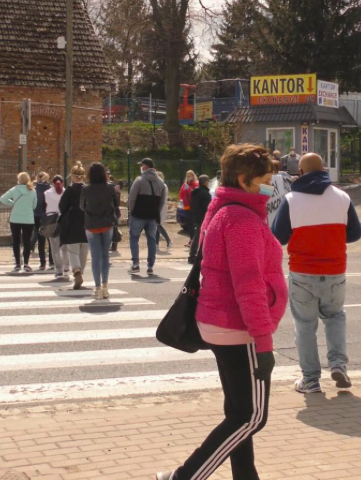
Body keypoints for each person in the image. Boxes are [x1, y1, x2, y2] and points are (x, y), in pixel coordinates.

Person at [156, 144, 288, 480]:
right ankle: (183, 476)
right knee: (252, 417)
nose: (270, 186)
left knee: (237, 410)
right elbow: (249, 286)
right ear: (245, 180)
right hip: (238, 327)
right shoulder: (242, 219)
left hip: (218, 322)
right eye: (265, 180)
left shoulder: (224, 209)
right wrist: (264, 341)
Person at [271, 153, 361, 394]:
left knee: (305, 326)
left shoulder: (291, 200)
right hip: (335, 270)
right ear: (323, 169)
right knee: (335, 318)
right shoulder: (342, 197)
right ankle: (338, 364)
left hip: (302, 272)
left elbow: (278, 237)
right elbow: (355, 234)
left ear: (299, 174)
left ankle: (311, 380)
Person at [81, 162, 120, 300]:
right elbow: (116, 203)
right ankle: (105, 287)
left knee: (95, 257)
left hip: (91, 224)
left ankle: (97, 288)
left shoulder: (86, 189)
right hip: (107, 223)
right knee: (105, 256)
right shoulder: (109, 187)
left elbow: (82, 206)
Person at [128, 158, 166, 275]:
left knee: (134, 238)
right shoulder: (161, 183)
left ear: (145, 167)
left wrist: (132, 211)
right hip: (152, 216)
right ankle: (150, 265)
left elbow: (132, 198)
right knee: (151, 239)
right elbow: (162, 201)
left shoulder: (139, 180)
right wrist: (156, 212)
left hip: (138, 215)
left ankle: (135, 264)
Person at [58, 163, 89, 290]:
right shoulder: (88, 189)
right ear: (83, 176)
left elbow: (61, 207)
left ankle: (76, 271)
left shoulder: (69, 191)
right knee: (84, 250)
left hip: (72, 224)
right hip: (87, 223)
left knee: (72, 250)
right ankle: (80, 272)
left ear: (72, 176)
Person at [0, 172, 39, 273]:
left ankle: (17, 264)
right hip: (28, 219)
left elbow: (2, 199)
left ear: (19, 179)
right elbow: (34, 206)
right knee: (27, 241)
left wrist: (12, 203)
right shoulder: (33, 191)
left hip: (15, 219)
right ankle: (26, 263)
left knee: (16, 241)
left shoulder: (15, 189)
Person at [44, 175, 70, 281]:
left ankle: (58, 270)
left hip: (51, 221)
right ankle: (66, 268)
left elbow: (43, 206)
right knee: (65, 248)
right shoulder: (66, 193)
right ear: (62, 183)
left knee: (54, 248)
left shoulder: (46, 193)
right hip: (64, 221)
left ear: (52, 183)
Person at [188, 174, 213, 264]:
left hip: (196, 216)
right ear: (206, 182)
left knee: (197, 237)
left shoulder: (195, 192)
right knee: (200, 237)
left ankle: (194, 255)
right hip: (203, 217)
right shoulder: (205, 194)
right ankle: (193, 256)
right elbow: (208, 208)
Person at [33, 172, 54, 271]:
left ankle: (42, 263)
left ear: (37, 178)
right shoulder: (51, 189)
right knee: (51, 240)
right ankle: (52, 261)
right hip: (49, 216)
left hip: (37, 215)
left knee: (41, 241)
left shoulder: (34, 189)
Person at [155, 171, 174, 252]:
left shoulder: (162, 186)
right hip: (160, 207)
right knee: (157, 226)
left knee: (158, 225)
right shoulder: (162, 185)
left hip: (160, 207)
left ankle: (169, 240)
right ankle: (156, 244)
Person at [179, 170, 199, 242]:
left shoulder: (196, 184)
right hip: (186, 206)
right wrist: (180, 201)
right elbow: (181, 193)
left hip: (193, 206)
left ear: (193, 176)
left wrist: (189, 189)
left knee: (193, 223)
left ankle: (194, 240)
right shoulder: (185, 184)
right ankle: (191, 239)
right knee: (189, 223)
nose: (188, 178)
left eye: (190, 176)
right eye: (187, 176)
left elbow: (195, 193)